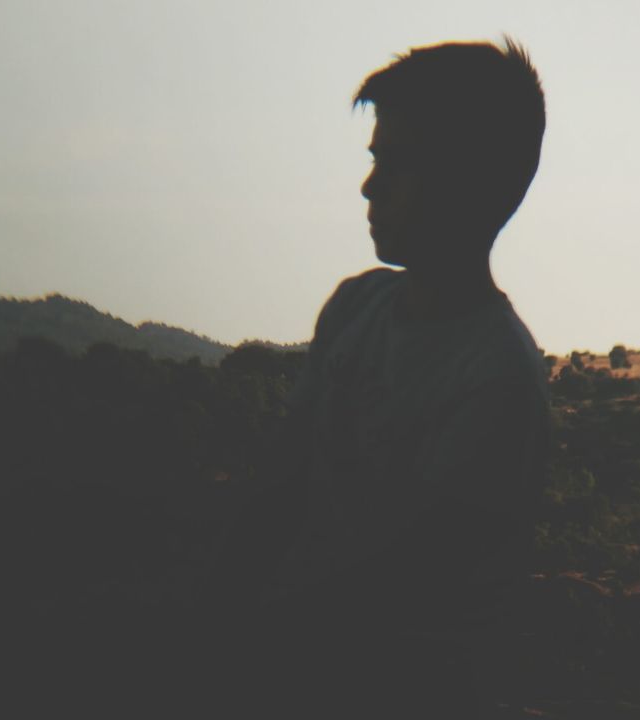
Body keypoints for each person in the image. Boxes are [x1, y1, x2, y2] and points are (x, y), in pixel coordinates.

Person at [196, 38, 550, 719]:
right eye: (374, 160)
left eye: (397, 162)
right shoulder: (355, 307)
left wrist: (243, 642)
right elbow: (279, 491)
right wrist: (214, 613)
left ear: (467, 179)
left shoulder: (499, 380)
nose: (370, 184)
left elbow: (400, 584)